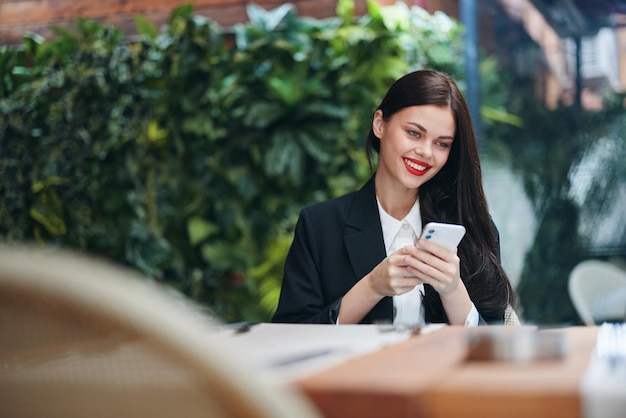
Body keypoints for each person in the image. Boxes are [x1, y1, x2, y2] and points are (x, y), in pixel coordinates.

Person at [272, 69, 517, 326]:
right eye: (414, 133)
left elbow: (494, 348)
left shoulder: (472, 228)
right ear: (380, 124)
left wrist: (452, 289)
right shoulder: (320, 226)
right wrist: (372, 287)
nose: (425, 152)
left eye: (442, 143)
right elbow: (291, 335)